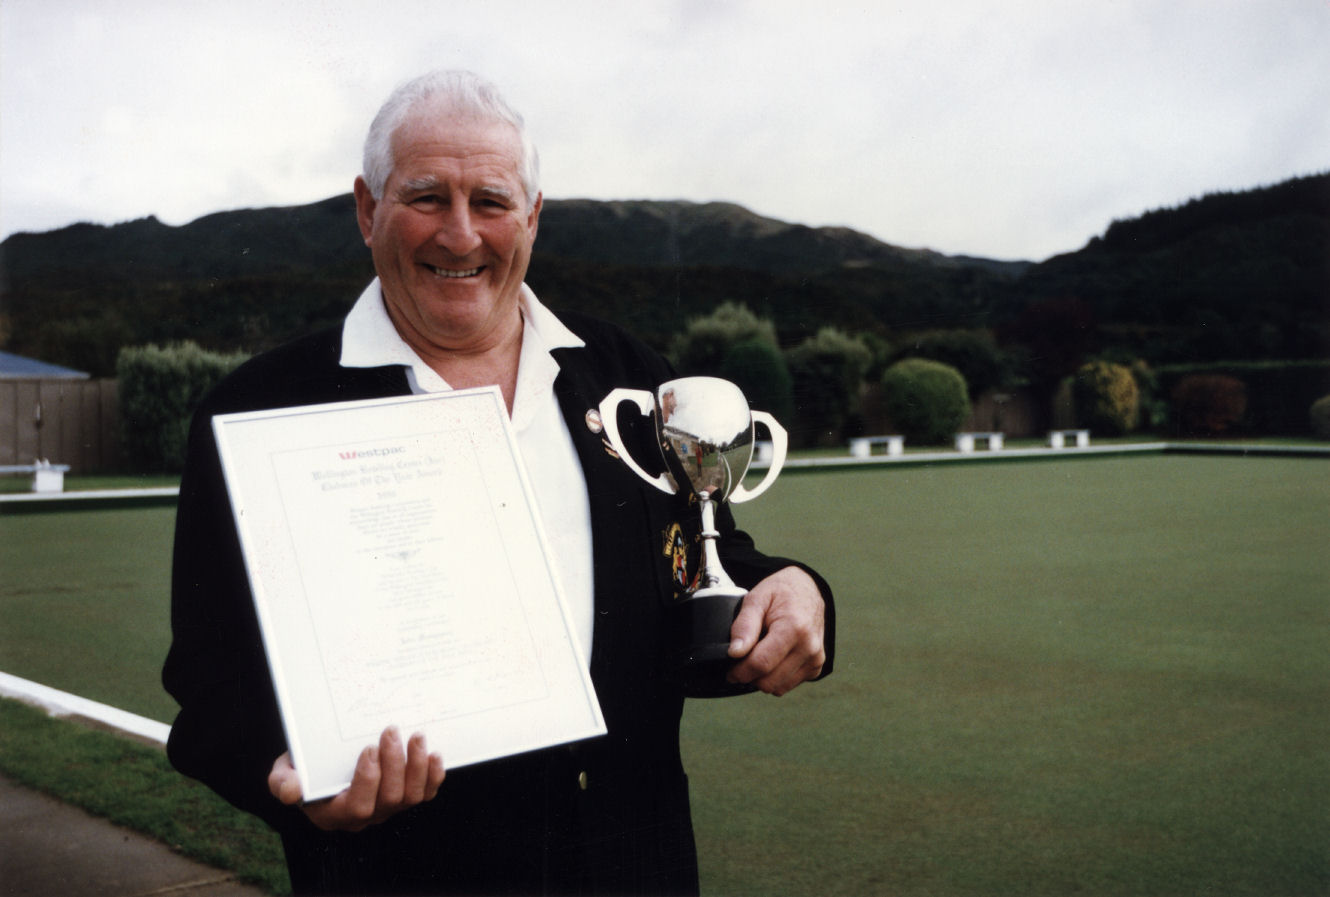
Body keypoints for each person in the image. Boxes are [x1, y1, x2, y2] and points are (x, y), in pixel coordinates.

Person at [163, 69, 835, 896]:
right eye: (425, 197)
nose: (460, 235)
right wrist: (294, 781)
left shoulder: (624, 377)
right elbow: (208, 688)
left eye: (489, 201)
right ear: (367, 209)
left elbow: (706, 560)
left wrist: (794, 589)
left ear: (533, 216)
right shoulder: (261, 409)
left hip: (636, 870)